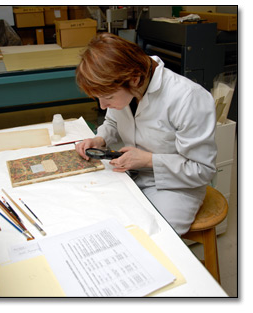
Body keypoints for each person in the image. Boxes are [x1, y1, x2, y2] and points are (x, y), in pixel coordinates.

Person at [75, 32, 217, 236]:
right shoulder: (123, 85)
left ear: (134, 79)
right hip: (130, 173)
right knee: (93, 217)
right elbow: (113, 122)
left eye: (108, 97)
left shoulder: (188, 98)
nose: (103, 105)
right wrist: (100, 138)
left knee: (150, 239)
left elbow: (202, 169)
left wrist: (149, 161)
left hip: (176, 186)